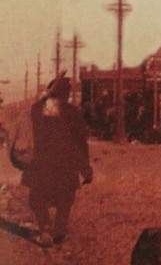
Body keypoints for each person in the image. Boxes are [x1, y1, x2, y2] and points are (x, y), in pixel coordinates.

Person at [22, 76, 93, 247]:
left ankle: (45, 227)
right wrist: (86, 169)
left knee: (38, 197)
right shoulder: (73, 113)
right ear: (66, 94)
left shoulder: (38, 109)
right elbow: (80, 143)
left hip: (42, 164)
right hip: (66, 165)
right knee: (65, 200)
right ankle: (59, 231)